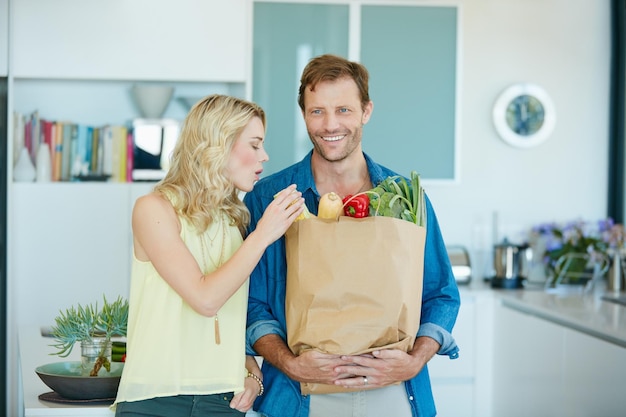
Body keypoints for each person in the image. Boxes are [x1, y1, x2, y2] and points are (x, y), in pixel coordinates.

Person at [243, 54, 461, 417]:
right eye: (317, 112)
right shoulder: (269, 196)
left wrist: (414, 362)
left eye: (343, 110)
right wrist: (289, 363)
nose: (330, 125)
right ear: (303, 115)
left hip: (393, 391)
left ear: (366, 111)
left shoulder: (406, 197)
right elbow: (252, 302)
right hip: (299, 395)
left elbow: (441, 294)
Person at [112, 94, 305, 416]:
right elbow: (205, 300)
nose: (265, 156)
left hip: (223, 400)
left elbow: (237, 312)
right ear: (219, 144)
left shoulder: (236, 219)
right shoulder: (154, 210)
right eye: (255, 145)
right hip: (156, 398)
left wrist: (250, 372)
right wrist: (263, 235)